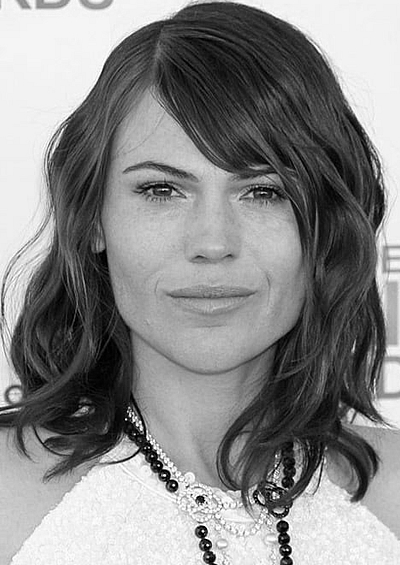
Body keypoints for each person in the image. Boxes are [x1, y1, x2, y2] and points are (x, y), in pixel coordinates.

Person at [0, 1, 399, 563]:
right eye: (162, 191)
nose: (213, 242)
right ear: (92, 219)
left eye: (265, 192)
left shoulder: (391, 493)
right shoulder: (9, 500)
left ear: (327, 229)